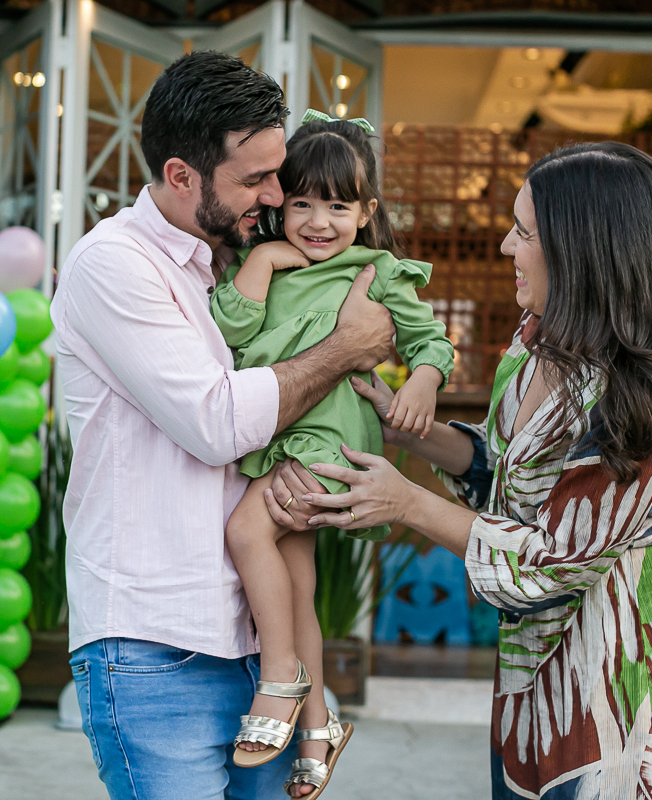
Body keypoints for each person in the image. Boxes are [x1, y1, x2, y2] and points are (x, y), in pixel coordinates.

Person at [268, 142, 652, 799]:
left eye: (525, 232)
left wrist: (408, 505)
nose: (507, 247)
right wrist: (412, 434)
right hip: (536, 673)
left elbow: (553, 559)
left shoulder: (642, 406)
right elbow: (515, 475)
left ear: (583, 250)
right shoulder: (534, 340)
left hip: (625, 688)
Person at [50, 52, 396, 800]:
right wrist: (344, 350)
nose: (277, 194)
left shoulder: (238, 263)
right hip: (155, 647)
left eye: (279, 173)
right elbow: (215, 422)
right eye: (255, 180)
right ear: (181, 176)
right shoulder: (115, 264)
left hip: (254, 647)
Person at [211, 111, 454, 798]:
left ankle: (280, 677)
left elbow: (429, 342)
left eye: (338, 206)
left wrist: (426, 383)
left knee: (245, 529)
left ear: (366, 211)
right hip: (277, 441)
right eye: (302, 204)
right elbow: (232, 324)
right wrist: (262, 258)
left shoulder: (377, 270)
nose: (319, 222)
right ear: (280, 205)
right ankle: (317, 727)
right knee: (296, 587)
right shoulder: (271, 265)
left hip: (332, 442)